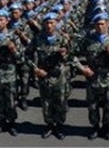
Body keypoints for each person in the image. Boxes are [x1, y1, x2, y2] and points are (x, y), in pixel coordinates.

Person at [72, 12, 109, 140]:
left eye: (102, 24)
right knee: (92, 105)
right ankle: (95, 127)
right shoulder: (88, 40)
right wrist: (82, 68)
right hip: (92, 77)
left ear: (108, 24)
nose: (100, 27)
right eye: (97, 24)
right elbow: (73, 55)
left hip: (107, 78)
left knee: (108, 105)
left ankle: (105, 128)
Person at [26, 12, 71, 140]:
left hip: (59, 75)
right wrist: (35, 69)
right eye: (47, 23)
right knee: (46, 102)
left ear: (56, 23)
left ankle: (59, 126)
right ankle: (50, 125)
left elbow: (72, 56)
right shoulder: (38, 38)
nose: (49, 25)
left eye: (52, 23)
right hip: (43, 74)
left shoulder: (63, 38)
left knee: (60, 101)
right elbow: (27, 55)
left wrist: (64, 55)